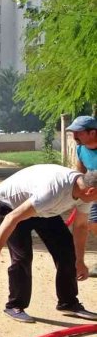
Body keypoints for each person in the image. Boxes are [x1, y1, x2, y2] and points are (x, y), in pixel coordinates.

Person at [0, 164, 97, 323]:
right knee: (23, 255)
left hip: (41, 208)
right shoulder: (52, 192)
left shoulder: (85, 192)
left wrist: (79, 261)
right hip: (11, 205)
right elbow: (12, 218)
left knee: (67, 250)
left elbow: (80, 226)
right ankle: (14, 305)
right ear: (91, 192)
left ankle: (68, 302)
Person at [67, 115, 97, 275]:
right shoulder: (80, 149)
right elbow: (80, 172)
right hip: (93, 191)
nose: (74, 136)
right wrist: (79, 193)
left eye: (78, 132)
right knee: (93, 224)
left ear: (92, 133)